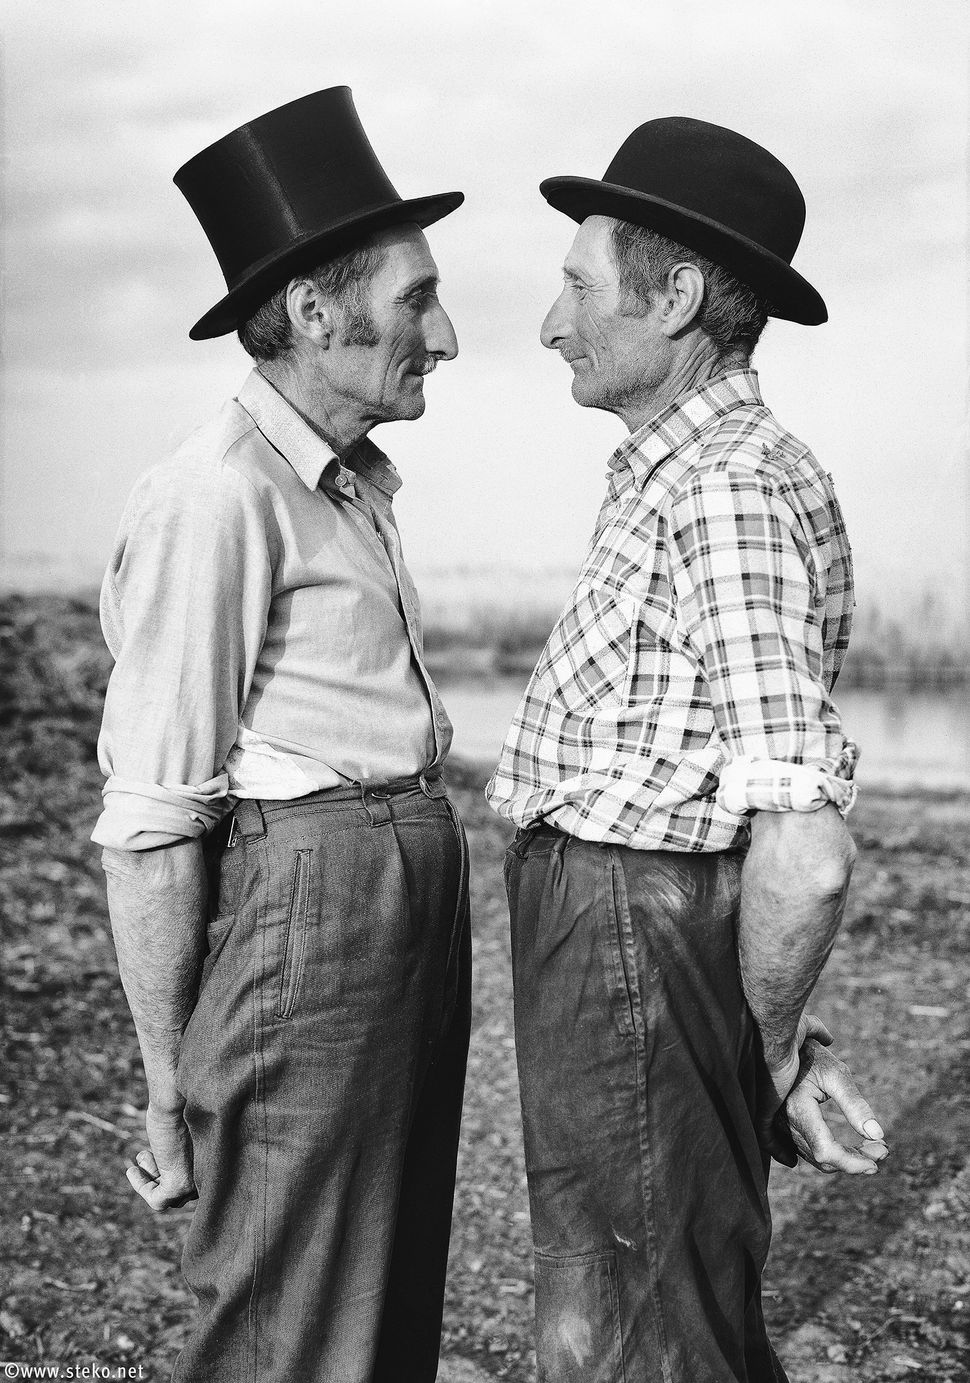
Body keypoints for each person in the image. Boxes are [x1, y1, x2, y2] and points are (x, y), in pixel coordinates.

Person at [487, 117, 888, 1382]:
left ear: (676, 298)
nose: (553, 325)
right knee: (633, 1300)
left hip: (631, 938)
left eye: (575, 286)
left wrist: (765, 1050)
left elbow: (804, 847)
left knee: (637, 1331)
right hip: (629, 939)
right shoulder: (686, 471)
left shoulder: (721, 481)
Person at [93, 87, 470, 1383]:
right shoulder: (215, 494)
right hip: (310, 923)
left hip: (391, 916)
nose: (448, 335)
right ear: (316, 310)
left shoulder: (350, 478)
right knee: (285, 1315)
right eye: (417, 298)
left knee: (377, 1297)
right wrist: (166, 1088)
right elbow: (151, 820)